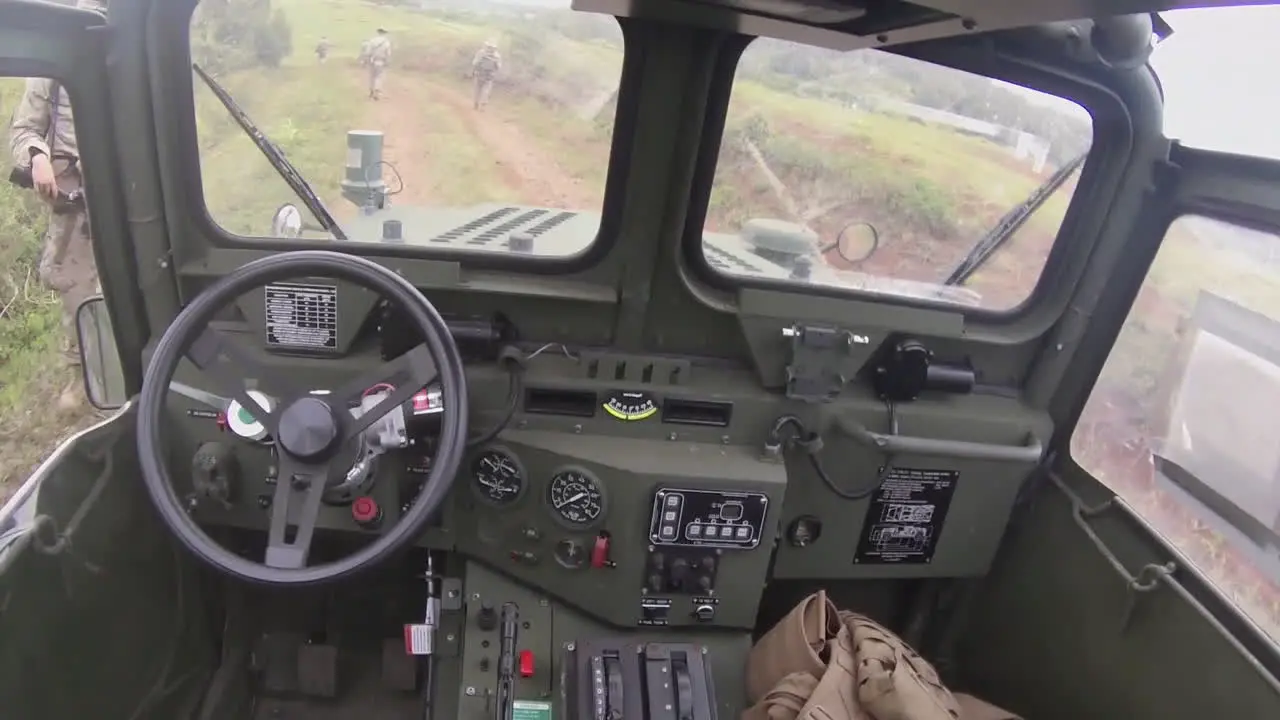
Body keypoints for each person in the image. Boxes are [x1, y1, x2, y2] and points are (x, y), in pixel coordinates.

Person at [8, 0, 107, 368]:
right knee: (78, 299)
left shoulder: (136, 50)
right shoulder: (54, 61)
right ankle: (85, 384)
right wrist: (38, 158)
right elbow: (24, 131)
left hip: (130, 200)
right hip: (75, 205)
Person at [471, 39, 503, 110]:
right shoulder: (497, 56)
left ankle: (476, 103)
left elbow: (475, 63)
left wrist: (474, 70)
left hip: (480, 73)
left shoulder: (481, 53)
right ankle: (483, 105)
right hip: (489, 75)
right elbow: (498, 67)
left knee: (477, 89)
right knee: (486, 90)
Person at [363, 28, 392, 100]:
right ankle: (377, 90)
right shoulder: (386, 42)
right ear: (384, 33)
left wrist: (366, 59)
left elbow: (368, 51)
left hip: (372, 60)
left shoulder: (372, 40)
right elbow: (388, 53)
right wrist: (387, 61)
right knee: (379, 76)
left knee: (372, 76)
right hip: (381, 61)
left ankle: (371, 91)